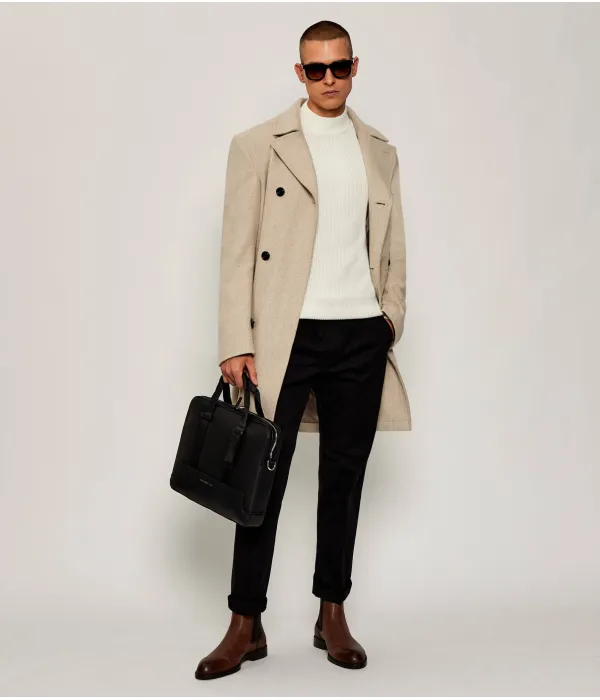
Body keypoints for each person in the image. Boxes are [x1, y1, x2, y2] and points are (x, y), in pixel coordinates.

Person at [195, 19, 411, 681]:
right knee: (259, 478)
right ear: (299, 73)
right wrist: (236, 341)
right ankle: (245, 622)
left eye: (339, 67)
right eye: (316, 69)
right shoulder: (257, 146)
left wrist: (388, 319)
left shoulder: (379, 150)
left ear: (354, 67)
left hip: (359, 334)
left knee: (344, 480)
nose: (328, 80)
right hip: (285, 335)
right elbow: (236, 250)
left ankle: (332, 612)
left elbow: (394, 245)